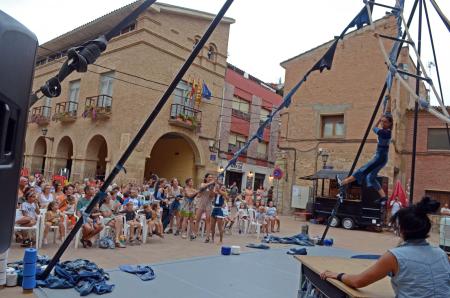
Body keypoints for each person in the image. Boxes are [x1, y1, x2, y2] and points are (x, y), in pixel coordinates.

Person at [320, 197, 450, 297]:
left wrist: (337, 275)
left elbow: (358, 282)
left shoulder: (394, 256)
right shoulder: (441, 253)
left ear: (401, 230)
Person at [337, 115, 393, 204]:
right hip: (382, 158)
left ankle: (343, 182)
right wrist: (381, 119)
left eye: (385, 122)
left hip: (379, 158)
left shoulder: (385, 133)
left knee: (363, 170)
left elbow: (374, 128)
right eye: (382, 121)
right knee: (371, 178)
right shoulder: (387, 131)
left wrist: (378, 120)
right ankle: (383, 197)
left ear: (390, 123)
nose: (382, 123)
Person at [193, 173, 216, 242]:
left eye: (211, 177)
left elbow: (212, 196)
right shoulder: (203, 184)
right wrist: (211, 182)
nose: (210, 178)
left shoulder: (212, 187)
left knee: (208, 221)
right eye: (209, 177)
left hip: (208, 204)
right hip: (201, 203)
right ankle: (195, 234)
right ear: (206, 178)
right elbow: (202, 188)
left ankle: (207, 237)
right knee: (197, 219)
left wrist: (211, 189)